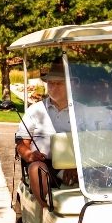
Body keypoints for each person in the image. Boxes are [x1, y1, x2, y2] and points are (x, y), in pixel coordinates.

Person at [15, 60, 82, 208]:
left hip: (78, 166)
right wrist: (29, 155)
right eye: (51, 83)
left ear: (70, 86)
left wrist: (76, 165)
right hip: (45, 164)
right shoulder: (35, 110)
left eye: (59, 83)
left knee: (104, 173)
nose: (53, 87)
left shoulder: (81, 111)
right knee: (37, 169)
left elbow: (91, 142)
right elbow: (21, 143)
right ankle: (45, 209)